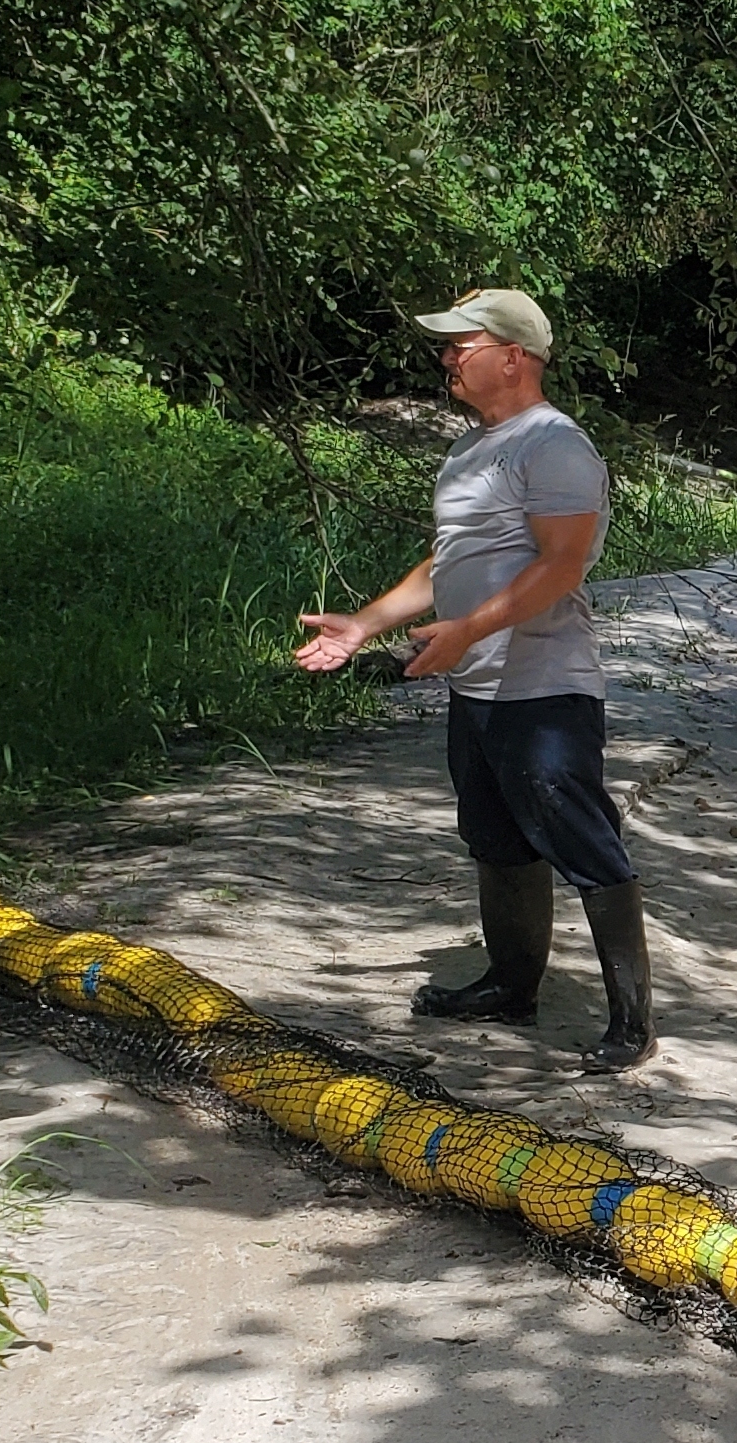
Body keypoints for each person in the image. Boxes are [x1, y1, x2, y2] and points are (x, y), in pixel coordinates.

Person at [292, 289, 655, 1071]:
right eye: (448, 345)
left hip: (545, 688)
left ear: (514, 357)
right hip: (477, 687)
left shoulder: (555, 445)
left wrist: (469, 630)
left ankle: (632, 1021)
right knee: (493, 841)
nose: (448, 357)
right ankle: (509, 987)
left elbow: (560, 566)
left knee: (581, 841)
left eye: (464, 344)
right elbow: (447, 560)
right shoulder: (471, 448)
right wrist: (365, 624)